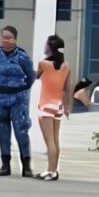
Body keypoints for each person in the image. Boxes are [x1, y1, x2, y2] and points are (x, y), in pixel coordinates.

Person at [0, 26, 34, 177]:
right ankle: (5, 164)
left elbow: (30, 77)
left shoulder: (22, 56)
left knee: (21, 132)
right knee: (3, 133)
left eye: (9, 38)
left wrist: (19, 89)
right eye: (3, 37)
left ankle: (26, 166)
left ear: (15, 39)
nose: (5, 41)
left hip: (18, 98)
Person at [35, 35, 72, 181]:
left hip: (46, 105)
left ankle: (50, 171)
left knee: (49, 140)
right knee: (55, 139)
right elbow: (67, 88)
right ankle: (54, 170)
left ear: (49, 48)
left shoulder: (43, 64)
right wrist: (67, 106)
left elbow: (36, 77)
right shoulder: (66, 67)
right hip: (59, 106)